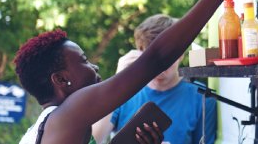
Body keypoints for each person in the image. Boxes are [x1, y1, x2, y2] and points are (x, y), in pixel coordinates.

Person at [15, 0, 257, 144]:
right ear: (61, 79)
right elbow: (157, 57)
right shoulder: (68, 114)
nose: (95, 65)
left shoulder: (54, 124)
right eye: (85, 60)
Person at [92, 14, 217, 144]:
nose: (160, 65)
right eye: (153, 56)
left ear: (181, 53)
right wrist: (117, 82)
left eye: (168, 55)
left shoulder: (202, 98)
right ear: (140, 53)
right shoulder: (123, 93)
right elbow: (93, 140)